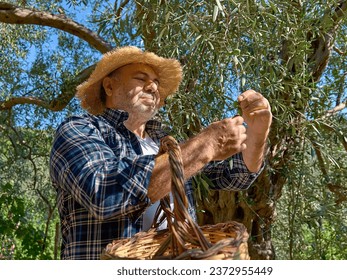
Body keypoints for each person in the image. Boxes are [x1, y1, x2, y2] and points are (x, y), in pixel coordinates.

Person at [49, 46, 272, 260]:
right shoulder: (81, 129)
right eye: (140, 78)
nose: (153, 87)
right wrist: (206, 144)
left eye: (156, 82)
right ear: (109, 86)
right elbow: (104, 194)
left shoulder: (166, 144)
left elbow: (236, 176)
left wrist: (258, 132)